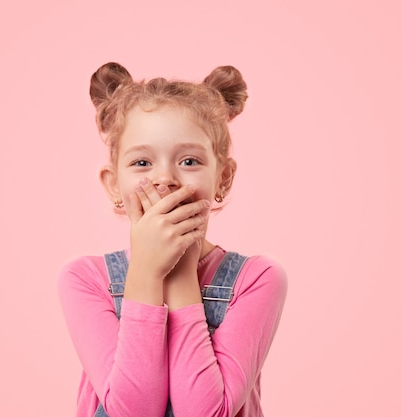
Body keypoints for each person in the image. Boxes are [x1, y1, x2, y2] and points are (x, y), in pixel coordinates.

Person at [58, 62, 288, 417]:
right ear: (113, 183)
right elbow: (131, 411)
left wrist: (179, 269)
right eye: (141, 163)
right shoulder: (85, 281)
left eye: (190, 160)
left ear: (223, 177)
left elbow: (206, 412)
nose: (164, 178)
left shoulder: (257, 279)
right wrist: (147, 275)